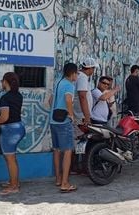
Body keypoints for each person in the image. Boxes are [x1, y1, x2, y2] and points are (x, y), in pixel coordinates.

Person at [0, 72, 26, 195]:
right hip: (19, 127)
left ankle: (13, 186)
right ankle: (14, 181)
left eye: (2, 80)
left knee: (10, 159)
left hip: (10, 130)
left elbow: (4, 117)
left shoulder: (5, 97)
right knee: (12, 158)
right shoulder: (18, 95)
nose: (1, 83)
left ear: (6, 82)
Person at [50, 63, 78, 193]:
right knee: (67, 150)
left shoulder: (58, 82)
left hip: (53, 120)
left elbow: (51, 101)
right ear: (72, 73)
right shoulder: (69, 85)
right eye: (77, 73)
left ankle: (58, 179)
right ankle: (65, 183)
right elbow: (68, 100)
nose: (77, 76)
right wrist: (71, 115)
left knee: (56, 150)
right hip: (63, 121)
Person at [74, 57, 98, 125]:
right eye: (93, 68)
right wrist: (87, 116)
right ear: (90, 68)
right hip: (81, 116)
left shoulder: (79, 75)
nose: (93, 71)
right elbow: (82, 96)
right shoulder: (82, 77)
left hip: (79, 114)